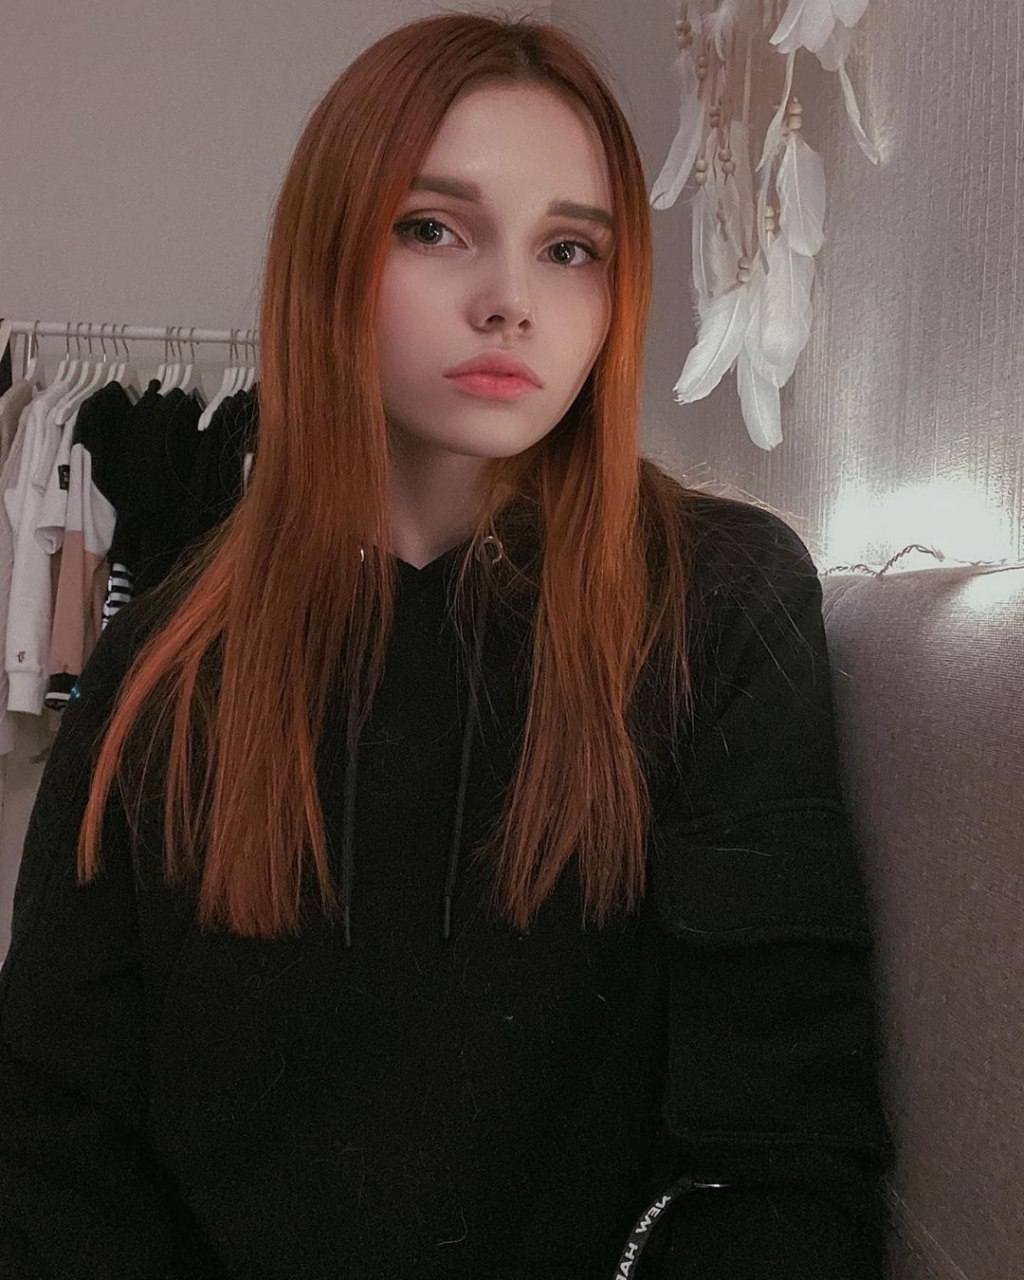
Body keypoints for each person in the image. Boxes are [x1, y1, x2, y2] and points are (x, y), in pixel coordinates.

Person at [0, 11, 895, 1279]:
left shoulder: (716, 601)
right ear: (328, 251)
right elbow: (51, 1140)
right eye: (433, 228)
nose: (510, 301)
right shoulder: (165, 661)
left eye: (570, 248)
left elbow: (783, 1147)